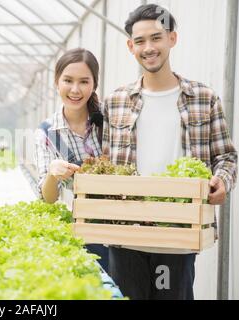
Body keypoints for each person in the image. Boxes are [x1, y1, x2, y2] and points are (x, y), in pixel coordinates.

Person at [102, 4, 237, 299]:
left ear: (172, 39)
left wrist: (222, 182)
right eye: (140, 41)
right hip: (125, 237)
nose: (148, 48)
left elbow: (227, 157)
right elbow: (106, 165)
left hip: (178, 236)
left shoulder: (203, 97)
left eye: (156, 38)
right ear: (130, 46)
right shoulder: (116, 102)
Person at [34, 48, 109, 271]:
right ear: (57, 82)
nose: (75, 90)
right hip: (84, 231)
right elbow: (47, 198)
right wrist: (51, 172)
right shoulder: (47, 132)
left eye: (84, 82)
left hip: (123, 227)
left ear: (94, 85)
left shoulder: (110, 120)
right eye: (68, 80)